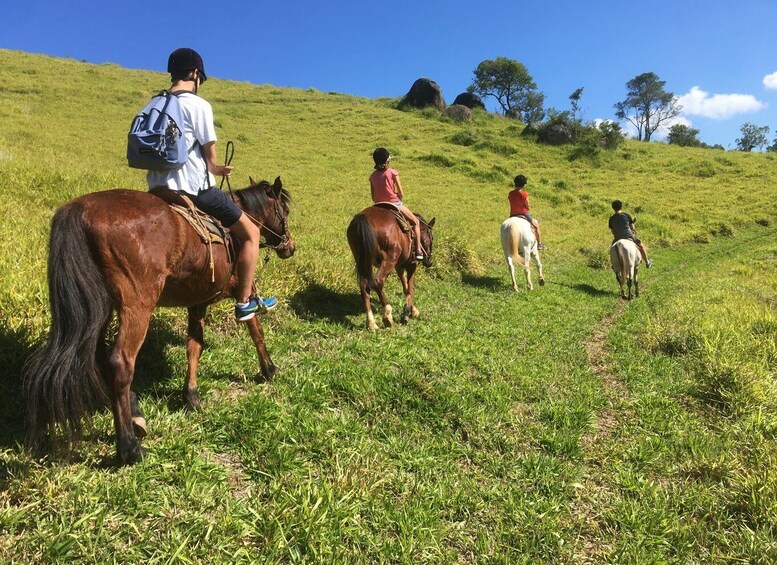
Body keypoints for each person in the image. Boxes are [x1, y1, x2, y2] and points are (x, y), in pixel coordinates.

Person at [147, 47, 277, 321]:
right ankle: (244, 301)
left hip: (157, 188)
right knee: (252, 233)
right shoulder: (197, 105)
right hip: (194, 190)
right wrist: (219, 169)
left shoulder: (154, 104)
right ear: (195, 74)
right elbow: (210, 159)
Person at [369, 148, 425, 261]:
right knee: (416, 222)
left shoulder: (372, 176)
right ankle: (418, 250)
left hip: (379, 205)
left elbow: (373, 196)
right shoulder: (393, 172)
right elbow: (401, 193)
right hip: (394, 203)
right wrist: (397, 197)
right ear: (387, 161)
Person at [608, 200, 652, 268]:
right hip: (628, 235)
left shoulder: (611, 219)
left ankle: (613, 264)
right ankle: (647, 262)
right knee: (641, 246)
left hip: (617, 238)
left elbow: (613, 231)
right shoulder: (626, 215)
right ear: (621, 207)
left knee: (612, 249)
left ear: (613, 208)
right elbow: (632, 227)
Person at [508, 174, 545, 250]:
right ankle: (539, 244)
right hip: (523, 214)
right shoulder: (524, 194)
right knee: (536, 226)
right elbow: (527, 205)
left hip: (512, 215)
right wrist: (528, 208)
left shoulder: (510, 193)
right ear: (523, 185)